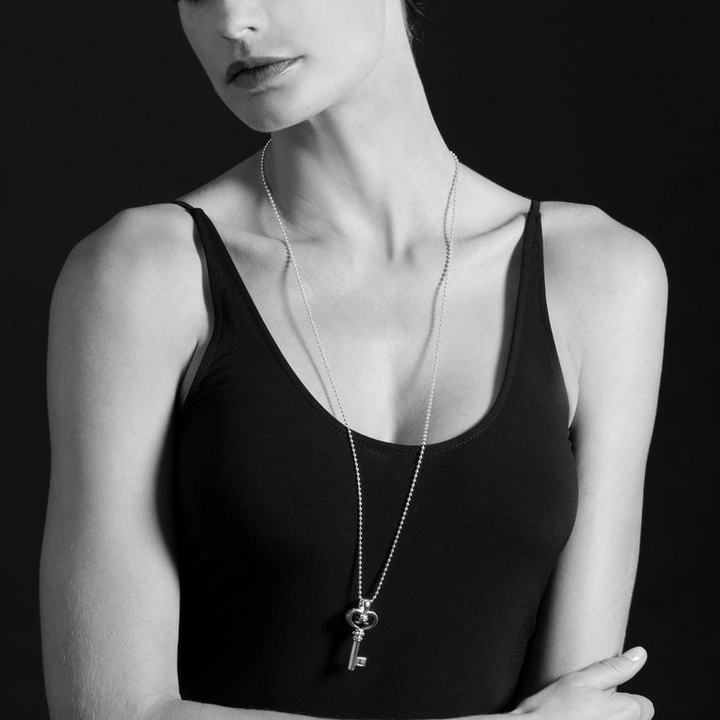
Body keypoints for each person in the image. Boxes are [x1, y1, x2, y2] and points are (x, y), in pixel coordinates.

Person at [40, 2, 667, 719]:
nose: (232, 21)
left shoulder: (599, 274)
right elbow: (109, 712)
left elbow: (582, 705)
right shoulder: (142, 274)